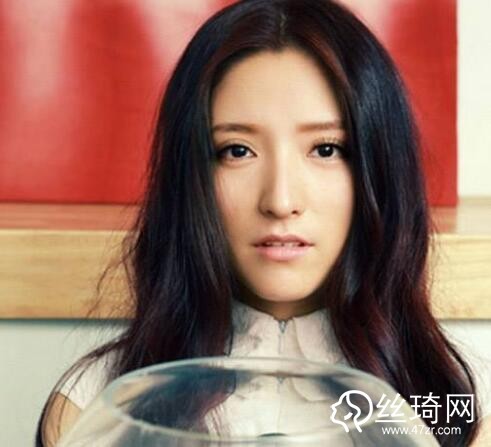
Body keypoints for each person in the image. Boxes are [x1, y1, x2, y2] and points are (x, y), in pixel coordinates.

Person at [36, 0, 491, 445]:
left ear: (379, 169)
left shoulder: (458, 407)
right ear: (189, 175)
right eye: (237, 151)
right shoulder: (91, 410)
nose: (280, 200)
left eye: (326, 149)